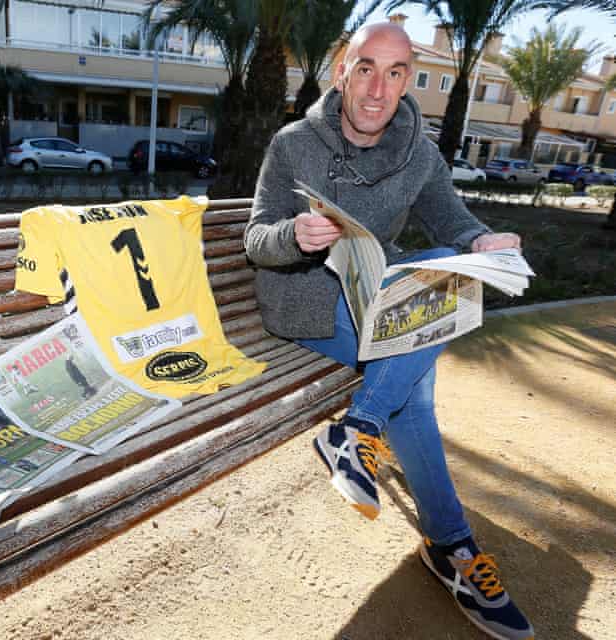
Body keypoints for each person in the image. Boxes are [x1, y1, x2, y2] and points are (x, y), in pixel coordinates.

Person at [244, 22, 533, 640]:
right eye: (366, 69)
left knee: (448, 278)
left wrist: (481, 241)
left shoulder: (417, 152)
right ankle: (452, 547)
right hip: (304, 300)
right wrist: (293, 235)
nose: (378, 89)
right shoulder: (294, 143)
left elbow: (450, 218)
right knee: (414, 386)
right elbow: (257, 238)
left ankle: (358, 432)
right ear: (343, 72)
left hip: (374, 291)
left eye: (395, 73)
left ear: (407, 83)